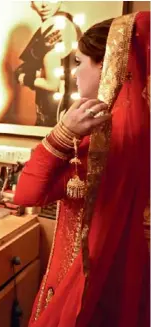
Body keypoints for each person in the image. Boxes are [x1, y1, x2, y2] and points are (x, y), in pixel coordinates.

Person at [14, 11, 149, 327]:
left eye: (79, 62)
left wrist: (62, 132)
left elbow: (26, 193)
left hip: (79, 282)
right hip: (131, 283)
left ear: (106, 65)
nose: (74, 73)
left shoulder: (96, 139)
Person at [16, 1, 82, 126]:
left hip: (55, 116)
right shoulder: (68, 21)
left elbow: (52, 84)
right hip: (66, 113)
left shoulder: (54, 26)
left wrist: (23, 78)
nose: (44, 4)